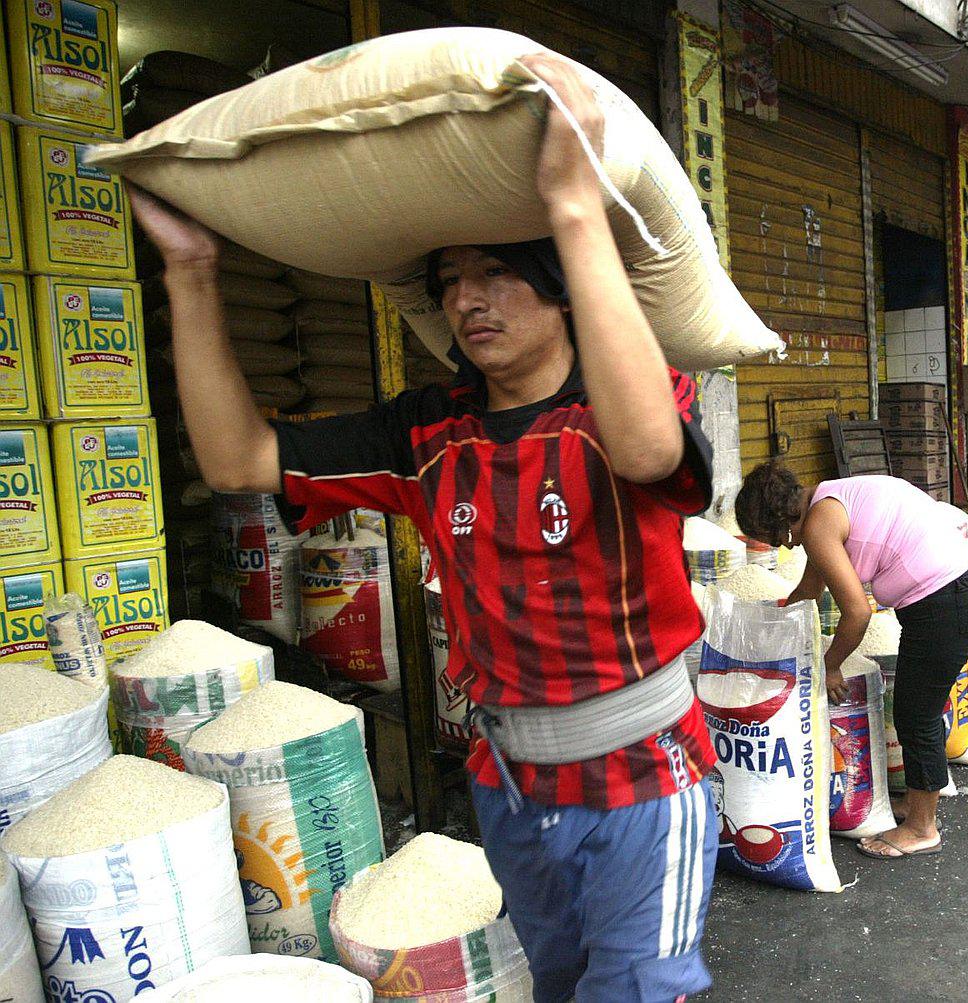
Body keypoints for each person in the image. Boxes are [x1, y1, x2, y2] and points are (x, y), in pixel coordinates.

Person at [132, 55, 720, 1002]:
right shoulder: (426, 433)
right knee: (561, 983)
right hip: (511, 783)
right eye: (449, 280)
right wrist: (193, 272)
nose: (465, 300)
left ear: (561, 287)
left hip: (645, 777)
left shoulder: (623, 404)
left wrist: (574, 210)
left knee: (640, 990)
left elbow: (653, 451)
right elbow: (239, 460)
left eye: (497, 274)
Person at [734, 466, 968, 859]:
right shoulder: (827, 501)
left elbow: (857, 614)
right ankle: (915, 806)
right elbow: (809, 589)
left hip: (946, 605)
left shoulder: (819, 525)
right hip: (956, 595)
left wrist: (831, 664)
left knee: (915, 714)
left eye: (776, 539)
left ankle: (922, 828)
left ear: (781, 521)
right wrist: (770, 630)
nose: (784, 548)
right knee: (918, 707)